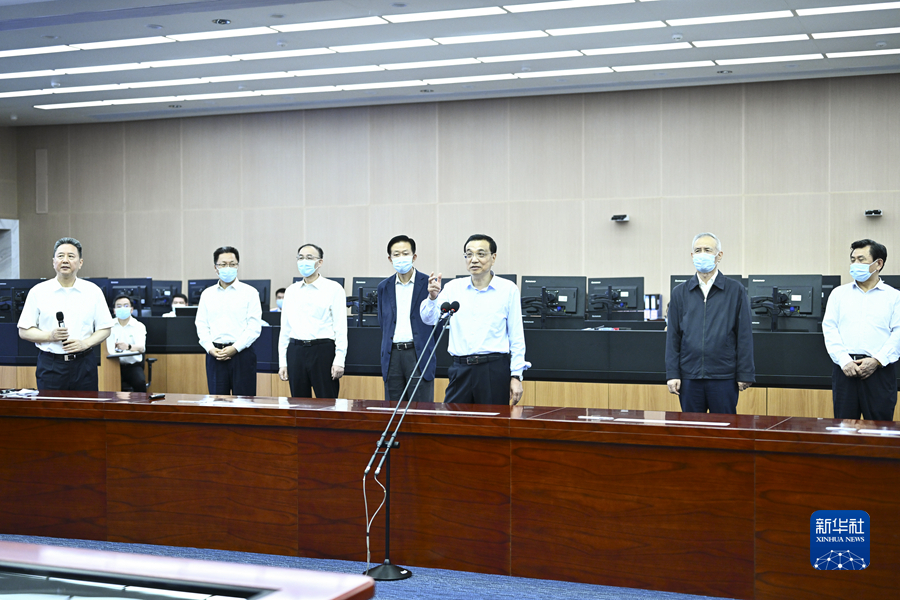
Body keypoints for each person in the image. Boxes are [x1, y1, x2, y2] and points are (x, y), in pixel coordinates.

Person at [420, 234, 529, 405]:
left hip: (492, 369)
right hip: (460, 368)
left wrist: (516, 375)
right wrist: (432, 298)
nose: (474, 259)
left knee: (492, 420)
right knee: (453, 419)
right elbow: (429, 319)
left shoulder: (508, 289)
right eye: (469, 254)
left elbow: (516, 337)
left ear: (493, 257)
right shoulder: (453, 288)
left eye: (481, 254)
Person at [666, 232, 755, 414]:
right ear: (692, 256)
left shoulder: (735, 290)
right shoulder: (679, 292)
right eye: (698, 250)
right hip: (689, 377)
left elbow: (744, 334)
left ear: (719, 255)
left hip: (723, 376)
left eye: (707, 250)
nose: (702, 254)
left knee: (724, 428)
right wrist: (672, 373)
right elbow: (673, 337)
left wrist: (745, 373)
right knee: (691, 429)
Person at [17, 237, 114, 391]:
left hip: (84, 364)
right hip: (51, 365)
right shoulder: (38, 291)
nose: (65, 260)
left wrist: (85, 343)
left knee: (86, 406)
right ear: (53, 262)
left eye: (71, 256)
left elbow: (105, 328)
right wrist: (50, 336)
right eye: (60, 256)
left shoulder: (93, 291)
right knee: (50, 406)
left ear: (80, 262)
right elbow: (24, 331)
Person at [822, 239, 900, 421]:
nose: (855, 264)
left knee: (880, 429)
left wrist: (877, 360)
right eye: (853, 260)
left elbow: (898, 333)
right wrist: (844, 360)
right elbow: (830, 329)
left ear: (878, 264)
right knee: (844, 427)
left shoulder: (894, 297)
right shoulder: (839, 294)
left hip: (879, 371)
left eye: (861, 259)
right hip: (845, 370)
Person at [278, 244, 347, 398]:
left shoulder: (334, 289)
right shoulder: (291, 291)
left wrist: (339, 360)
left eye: (309, 258)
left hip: (322, 351)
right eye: (301, 258)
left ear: (320, 262)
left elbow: (341, 328)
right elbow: (285, 329)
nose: (304, 261)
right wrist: (283, 362)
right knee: (298, 404)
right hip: (296, 351)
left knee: (328, 403)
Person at [195, 246, 262, 396]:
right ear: (215, 268)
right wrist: (210, 348)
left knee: (244, 403)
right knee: (217, 402)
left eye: (232, 264)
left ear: (238, 266)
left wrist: (235, 348)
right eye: (223, 264)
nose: (228, 268)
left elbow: (254, 327)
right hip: (215, 354)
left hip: (242, 354)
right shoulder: (207, 294)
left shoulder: (250, 292)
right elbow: (201, 324)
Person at [377, 235, 436, 403]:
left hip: (418, 354)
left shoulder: (429, 284)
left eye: (405, 253)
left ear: (414, 256)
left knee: (421, 410)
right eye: (396, 254)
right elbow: (383, 322)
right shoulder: (383, 287)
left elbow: (435, 323)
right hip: (392, 355)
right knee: (393, 409)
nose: (401, 258)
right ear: (390, 259)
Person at [106, 294, 147, 392]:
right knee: (104, 384)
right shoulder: (108, 326)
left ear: (131, 309)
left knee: (140, 382)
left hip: (132, 366)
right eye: (119, 306)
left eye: (125, 306)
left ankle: (141, 402)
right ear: (114, 310)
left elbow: (141, 347)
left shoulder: (138, 326)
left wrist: (128, 346)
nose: (122, 308)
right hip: (112, 365)